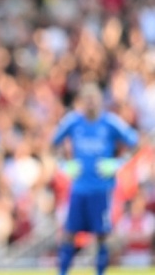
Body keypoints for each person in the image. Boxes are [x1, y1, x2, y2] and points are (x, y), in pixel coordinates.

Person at [51, 82, 140, 275]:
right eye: (87, 100)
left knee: (102, 235)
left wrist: (118, 163)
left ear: (100, 101)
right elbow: (53, 142)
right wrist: (64, 165)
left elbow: (135, 142)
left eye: (94, 100)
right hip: (79, 189)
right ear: (81, 102)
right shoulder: (73, 122)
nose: (90, 104)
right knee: (69, 233)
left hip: (101, 189)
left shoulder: (110, 122)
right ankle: (63, 272)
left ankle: (100, 272)